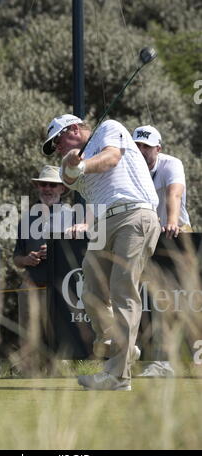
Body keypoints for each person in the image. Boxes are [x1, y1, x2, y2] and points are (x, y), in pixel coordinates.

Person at [42, 114, 160, 391]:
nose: (56, 147)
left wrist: (80, 164)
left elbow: (110, 159)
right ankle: (123, 347)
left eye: (57, 140)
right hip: (103, 225)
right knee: (91, 290)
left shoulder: (109, 128)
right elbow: (70, 175)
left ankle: (118, 376)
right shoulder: (65, 166)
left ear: (73, 129)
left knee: (123, 290)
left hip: (135, 214)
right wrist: (72, 162)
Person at [132, 124, 192, 377]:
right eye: (137, 146)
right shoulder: (130, 167)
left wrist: (171, 220)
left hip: (177, 233)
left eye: (146, 146)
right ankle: (159, 361)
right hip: (147, 236)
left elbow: (174, 194)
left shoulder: (171, 164)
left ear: (158, 148)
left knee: (181, 298)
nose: (141, 150)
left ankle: (183, 359)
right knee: (153, 298)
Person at [13, 164, 73, 374]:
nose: (47, 188)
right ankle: (28, 369)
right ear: (38, 187)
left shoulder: (73, 216)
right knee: (28, 331)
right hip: (32, 282)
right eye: (43, 184)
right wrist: (27, 259)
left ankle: (59, 368)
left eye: (53, 185)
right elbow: (16, 258)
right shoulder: (26, 218)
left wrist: (56, 250)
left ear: (62, 189)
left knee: (59, 330)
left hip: (62, 285)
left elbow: (79, 253)